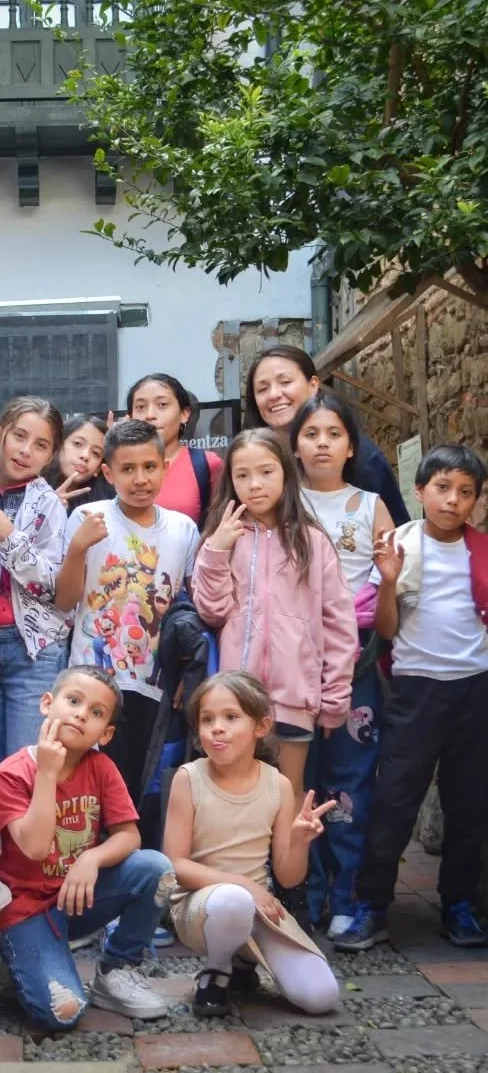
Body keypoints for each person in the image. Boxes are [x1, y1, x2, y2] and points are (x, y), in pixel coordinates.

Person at [335, 444, 488, 952]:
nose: (453, 501)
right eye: (442, 489)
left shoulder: (482, 552)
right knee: (395, 798)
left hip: (474, 690)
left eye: (466, 493)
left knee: (469, 803)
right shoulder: (397, 545)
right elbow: (385, 628)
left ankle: (459, 905)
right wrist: (389, 583)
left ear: (476, 502)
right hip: (415, 690)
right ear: (419, 492)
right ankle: (371, 905)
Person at [0, 666, 173, 1029]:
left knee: (156, 869)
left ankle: (116, 970)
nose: (82, 713)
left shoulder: (101, 767)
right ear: (46, 704)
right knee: (64, 1012)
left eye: (97, 712)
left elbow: (129, 836)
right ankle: (19, 961)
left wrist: (92, 857)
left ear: (107, 732)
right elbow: (37, 848)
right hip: (23, 911)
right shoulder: (10, 774)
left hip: (75, 896)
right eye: (73, 701)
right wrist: (47, 773)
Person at [193, 428, 357, 807]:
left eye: (266, 472)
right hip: (235, 701)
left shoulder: (312, 540)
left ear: (285, 472)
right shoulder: (223, 538)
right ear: (230, 481)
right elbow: (211, 610)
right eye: (243, 475)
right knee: (233, 798)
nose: (255, 485)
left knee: (288, 796)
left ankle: (290, 868)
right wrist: (217, 550)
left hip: (296, 696)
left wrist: (334, 698)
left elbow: (339, 624)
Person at [165, 672, 340, 1018]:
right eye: (207, 719)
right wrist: (245, 886)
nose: (217, 727)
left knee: (321, 997)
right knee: (234, 901)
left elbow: (289, 878)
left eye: (231, 717)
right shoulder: (189, 778)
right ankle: (216, 972)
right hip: (200, 906)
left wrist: (300, 841)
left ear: (261, 726)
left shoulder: (277, 785)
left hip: (259, 908)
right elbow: (176, 866)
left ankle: (242, 958)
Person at [291, 394, 394, 938]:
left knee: (350, 778)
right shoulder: (286, 504)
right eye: (311, 434)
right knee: (299, 779)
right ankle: (302, 893)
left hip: (354, 663)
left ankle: (347, 896)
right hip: (292, 665)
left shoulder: (369, 503)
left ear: (350, 445)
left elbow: (384, 576)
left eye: (333, 433)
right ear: (296, 445)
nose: (322, 443)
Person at [55, 419, 200, 804]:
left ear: (165, 466)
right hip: (92, 679)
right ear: (108, 472)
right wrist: (77, 550)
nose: (140, 479)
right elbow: (64, 601)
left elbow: (188, 606)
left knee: (136, 787)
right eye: (127, 469)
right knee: (83, 785)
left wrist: (187, 670)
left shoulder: (183, 529)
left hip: (154, 683)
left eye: (149, 467)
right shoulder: (88, 518)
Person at [0, 396, 71, 781]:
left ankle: (23, 844)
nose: (26, 451)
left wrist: (5, 532)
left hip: (34, 650)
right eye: (19, 437)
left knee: (26, 771)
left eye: (40, 445)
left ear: (51, 455)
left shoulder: (51, 505)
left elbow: (49, 585)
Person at [244, 345, 410, 524]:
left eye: (285, 382)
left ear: (313, 385)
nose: (274, 395)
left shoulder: (361, 458)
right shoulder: (249, 456)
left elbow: (396, 536)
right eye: (262, 389)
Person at [127, 373, 223, 528]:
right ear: (130, 417)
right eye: (140, 407)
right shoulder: (115, 466)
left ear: (184, 414)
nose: (150, 415)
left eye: (162, 405)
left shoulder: (206, 465)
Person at [47, 413, 109, 514]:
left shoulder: (103, 508)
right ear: (59, 445)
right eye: (77, 444)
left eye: (96, 453)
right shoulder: (30, 487)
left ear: (98, 469)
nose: (85, 456)